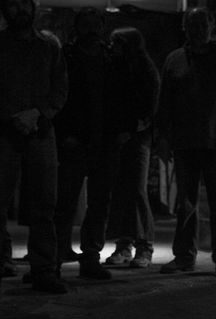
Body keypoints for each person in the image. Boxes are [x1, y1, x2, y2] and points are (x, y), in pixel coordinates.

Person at [158, 7, 216, 276]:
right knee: (185, 204)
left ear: (212, 27)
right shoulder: (174, 60)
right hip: (184, 143)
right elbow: (164, 103)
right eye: (192, 24)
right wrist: (162, 137)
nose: (198, 29)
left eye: (202, 24)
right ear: (185, 28)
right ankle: (184, 256)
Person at [0, 0, 68, 293]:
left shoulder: (49, 47)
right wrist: (11, 116)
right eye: (12, 5)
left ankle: (43, 269)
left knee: (44, 203)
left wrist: (39, 112)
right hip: (4, 132)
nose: (19, 10)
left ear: (33, 8)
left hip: (40, 131)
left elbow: (60, 87)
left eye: (23, 4)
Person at [54, 7, 112, 280]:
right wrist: (64, 133)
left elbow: (121, 95)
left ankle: (91, 257)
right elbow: (58, 95)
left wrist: (121, 130)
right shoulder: (67, 57)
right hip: (73, 142)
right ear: (77, 28)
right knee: (64, 202)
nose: (91, 29)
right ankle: (52, 261)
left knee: (99, 204)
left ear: (102, 27)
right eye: (85, 24)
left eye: (95, 24)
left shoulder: (111, 57)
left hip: (105, 141)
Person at [104, 27, 160, 268]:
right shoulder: (116, 67)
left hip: (137, 138)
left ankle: (144, 246)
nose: (112, 47)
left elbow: (150, 107)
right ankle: (124, 245)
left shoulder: (145, 69)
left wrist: (132, 129)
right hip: (118, 138)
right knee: (121, 190)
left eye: (117, 43)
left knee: (137, 190)